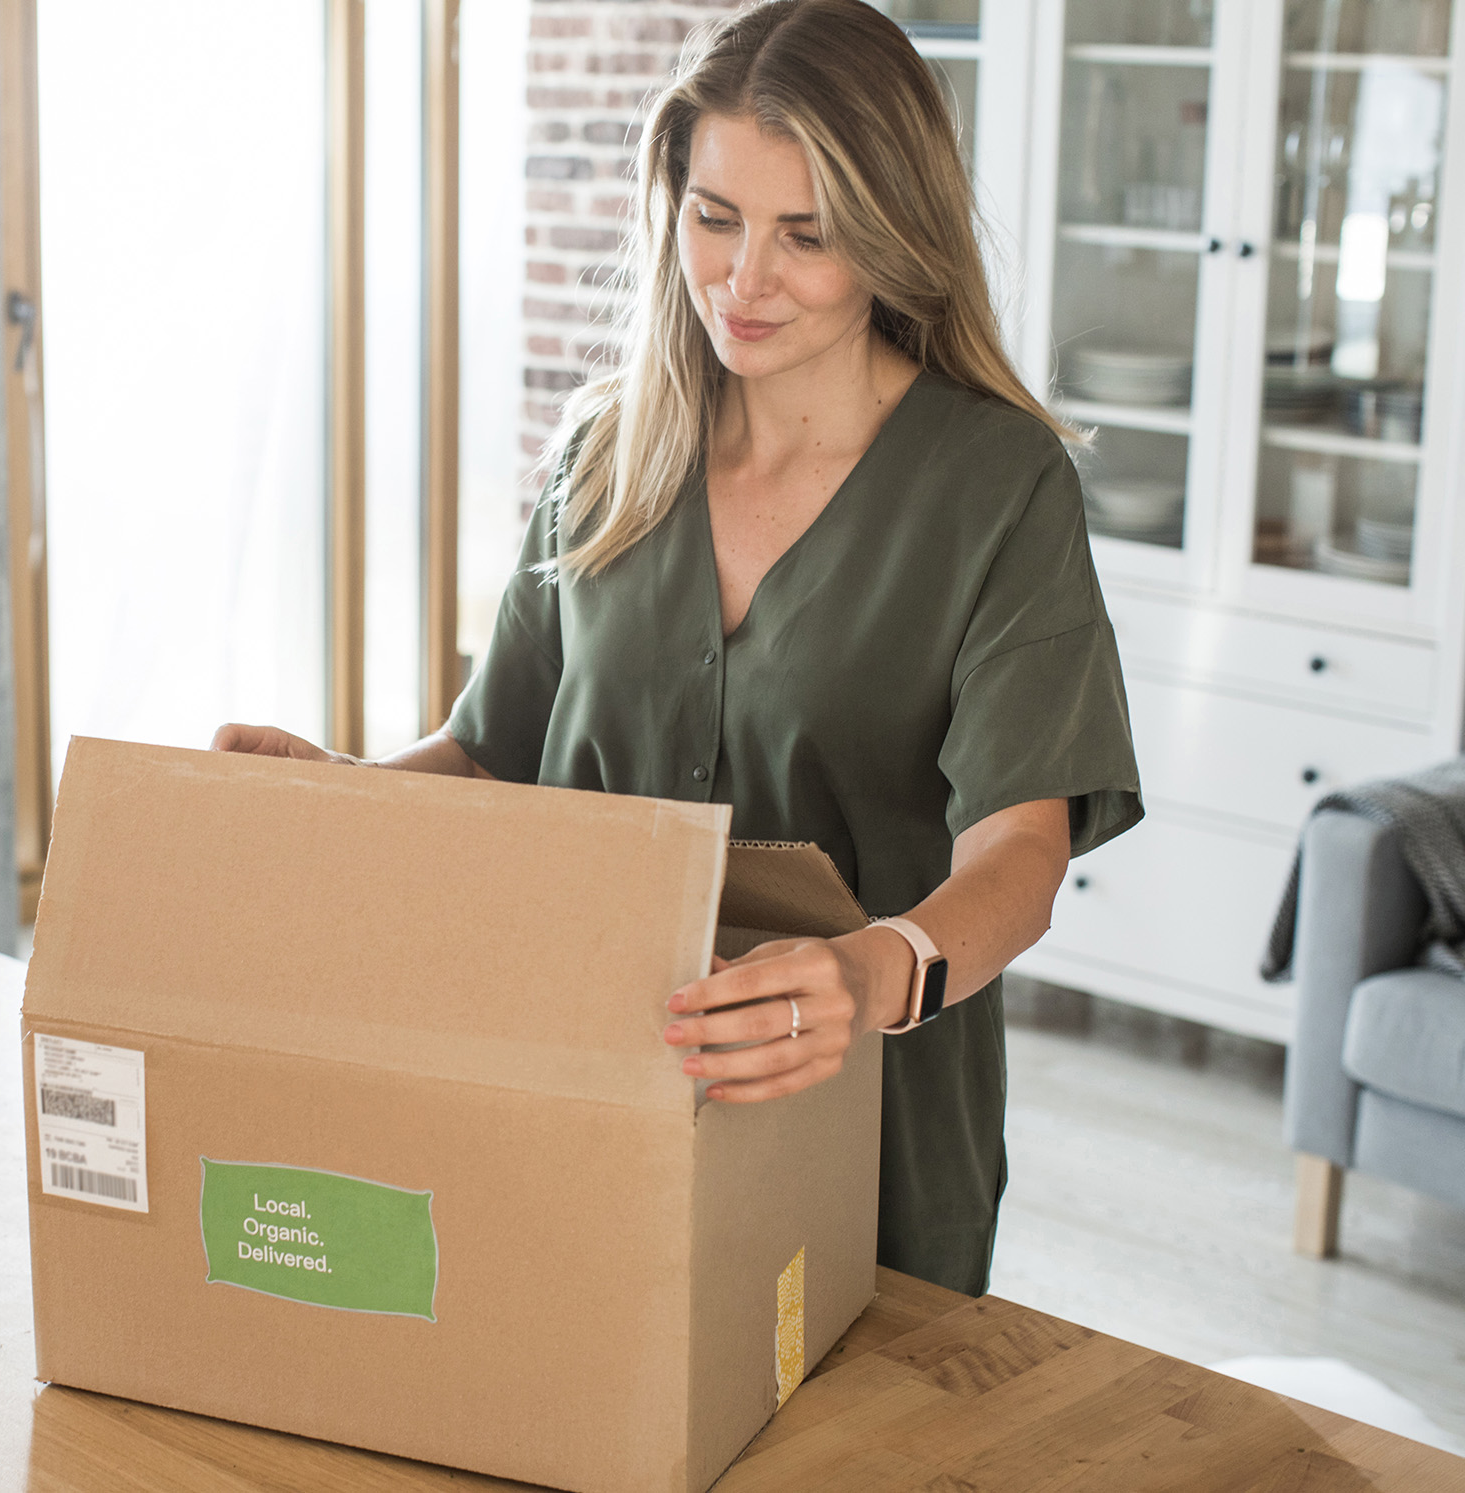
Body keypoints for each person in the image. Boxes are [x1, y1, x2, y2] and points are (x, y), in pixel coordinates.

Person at [213, 0, 1141, 1296]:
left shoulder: (996, 489)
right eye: (715, 217)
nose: (744, 280)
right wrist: (341, 794)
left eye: (806, 236)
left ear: (892, 237)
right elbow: (492, 757)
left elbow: (1021, 852)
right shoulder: (604, 455)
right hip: (582, 1093)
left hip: (868, 1138)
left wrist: (872, 974)